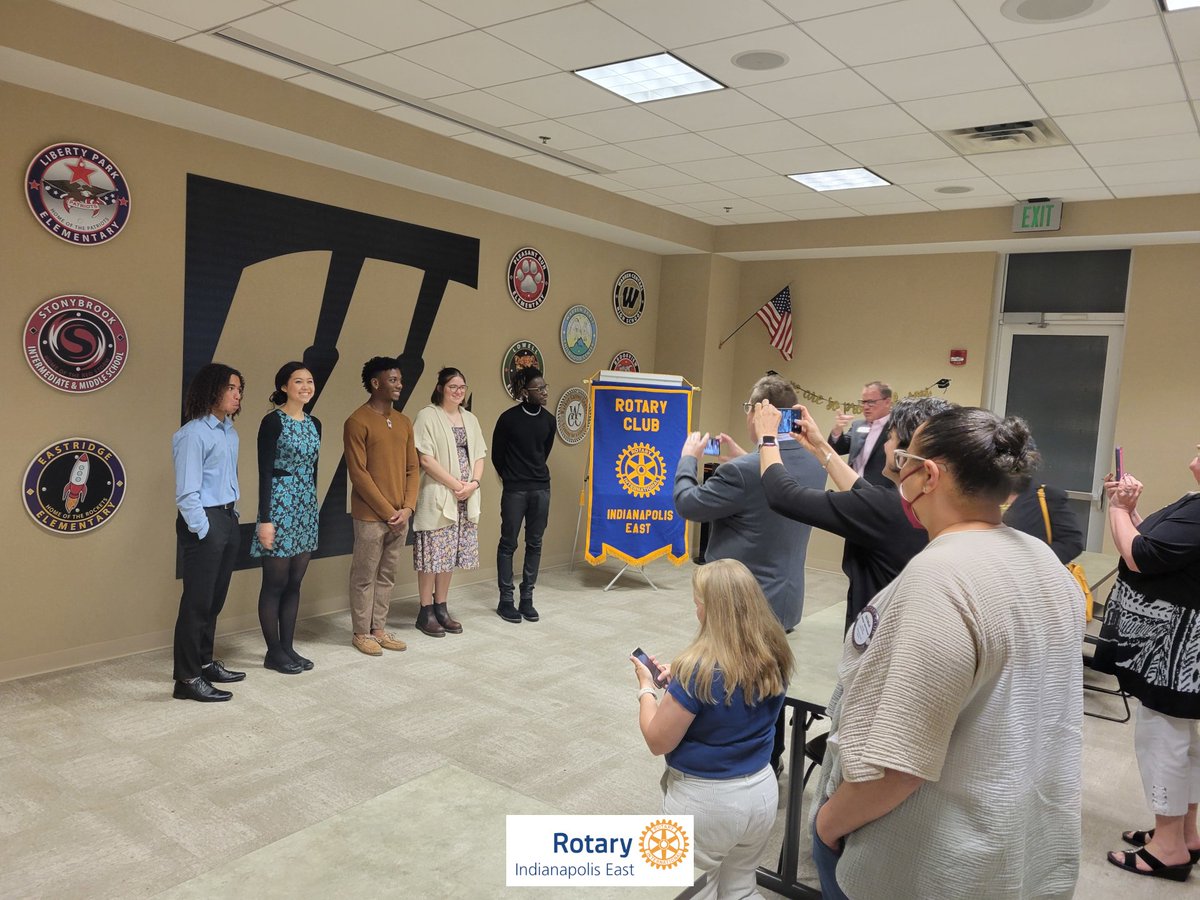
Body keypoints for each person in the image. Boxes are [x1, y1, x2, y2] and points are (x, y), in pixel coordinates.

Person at [811, 407, 1084, 900]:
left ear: (928, 474)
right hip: (1013, 841)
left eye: (904, 460)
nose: (898, 472)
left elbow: (899, 763)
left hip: (929, 860)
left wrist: (828, 826)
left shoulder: (939, 579)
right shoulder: (1043, 560)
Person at [675, 374, 823, 776]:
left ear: (758, 412)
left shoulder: (741, 472)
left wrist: (688, 458)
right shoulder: (813, 464)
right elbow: (769, 483)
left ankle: (741, 765)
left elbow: (689, 504)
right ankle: (770, 763)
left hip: (741, 604)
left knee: (734, 690)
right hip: (787, 599)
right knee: (772, 684)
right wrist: (745, 456)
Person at [631, 558, 793, 900]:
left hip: (708, 801)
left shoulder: (697, 670)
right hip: (762, 793)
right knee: (739, 887)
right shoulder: (775, 655)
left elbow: (657, 739)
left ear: (710, 611)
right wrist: (682, 688)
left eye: (698, 605)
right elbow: (730, 694)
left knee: (693, 891)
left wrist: (647, 689)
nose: (697, 613)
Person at [755, 396, 949, 633]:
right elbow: (864, 493)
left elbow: (783, 495)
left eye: (890, 438)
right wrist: (820, 447)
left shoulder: (885, 509)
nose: (886, 445)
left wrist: (767, 439)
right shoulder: (926, 506)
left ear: (906, 454)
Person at [1095, 445, 1200, 882]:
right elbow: (1162, 550)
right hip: (1178, 643)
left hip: (1175, 646)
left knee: (1163, 738)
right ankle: (1184, 834)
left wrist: (1117, 510)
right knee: (1182, 737)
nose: (1195, 450)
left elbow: (1142, 557)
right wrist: (1133, 512)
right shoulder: (1195, 503)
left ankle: (1169, 848)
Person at [171, 363, 247, 702]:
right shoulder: (193, 434)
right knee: (196, 603)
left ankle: (203, 662)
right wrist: (204, 530)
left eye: (239, 389)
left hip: (228, 519)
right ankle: (186, 680)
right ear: (212, 390)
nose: (237, 394)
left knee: (213, 601)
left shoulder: (229, 432)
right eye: (231, 388)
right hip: (206, 523)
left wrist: (231, 519)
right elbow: (187, 493)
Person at [343, 357, 418, 657]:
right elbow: (358, 474)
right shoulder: (356, 421)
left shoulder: (404, 421)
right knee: (364, 576)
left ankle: (378, 630)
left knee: (387, 575)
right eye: (393, 380)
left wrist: (408, 508)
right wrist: (389, 512)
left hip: (401, 515)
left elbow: (413, 468)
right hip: (371, 517)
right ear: (376, 383)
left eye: (400, 380)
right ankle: (362, 633)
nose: (399, 385)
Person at [251, 362, 321, 675]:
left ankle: (288, 647)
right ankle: (273, 651)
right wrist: (265, 519)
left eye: (309, 381)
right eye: (298, 382)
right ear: (284, 387)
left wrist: (311, 509)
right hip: (279, 504)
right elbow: (264, 471)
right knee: (275, 583)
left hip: (305, 505)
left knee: (295, 583)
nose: (305, 387)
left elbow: (315, 469)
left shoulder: (315, 423)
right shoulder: (272, 423)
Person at [412, 367, 486, 637]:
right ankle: (425, 610)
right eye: (452, 386)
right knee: (433, 554)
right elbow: (425, 458)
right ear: (441, 387)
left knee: (450, 554)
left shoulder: (471, 419)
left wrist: (473, 484)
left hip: (466, 494)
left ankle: (442, 606)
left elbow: (479, 456)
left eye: (462, 387)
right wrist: (455, 485)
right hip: (439, 491)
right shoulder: (427, 416)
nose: (458, 391)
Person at [492, 367, 555, 623]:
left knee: (535, 543)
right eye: (539, 389)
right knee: (508, 543)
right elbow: (498, 455)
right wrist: (511, 477)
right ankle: (506, 600)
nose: (544, 392)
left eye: (544, 387)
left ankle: (526, 598)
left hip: (541, 488)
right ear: (523, 393)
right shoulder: (508, 419)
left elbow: (544, 451)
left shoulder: (549, 421)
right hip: (515, 490)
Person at [1003, 476, 1085, 563]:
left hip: (1033, 571)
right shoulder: (988, 496)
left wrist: (1035, 562)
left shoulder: (1046, 496)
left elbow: (1071, 543)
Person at [828, 381, 893, 488]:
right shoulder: (858, 425)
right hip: (853, 489)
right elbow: (839, 449)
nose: (866, 407)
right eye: (863, 402)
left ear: (887, 402)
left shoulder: (897, 428)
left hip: (881, 493)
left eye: (871, 402)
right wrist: (837, 429)